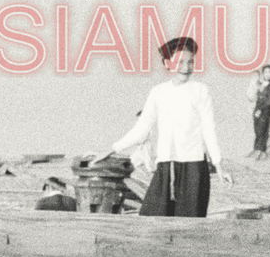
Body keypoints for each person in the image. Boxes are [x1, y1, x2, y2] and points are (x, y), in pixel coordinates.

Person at [97, 36, 232, 217]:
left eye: (190, 62)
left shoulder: (200, 90)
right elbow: (141, 130)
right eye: (180, 61)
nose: (186, 67)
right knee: (151, 220)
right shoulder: (158, 92)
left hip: (194, 169)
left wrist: (219, 166)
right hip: (165, 167)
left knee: (188, 227)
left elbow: (209, 130)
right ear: (167, 63)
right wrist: (110, 150)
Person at [245, 64, 270, 160]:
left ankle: (260, 151)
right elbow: (253, 96)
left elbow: (269, 101)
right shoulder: (260, 84)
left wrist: (260, 110)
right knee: (257, 130)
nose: (268, 74)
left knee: (262, 130)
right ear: (262, 73)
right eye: (266, 72)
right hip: (256, 110)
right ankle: (258, 150)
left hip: (264, 110)